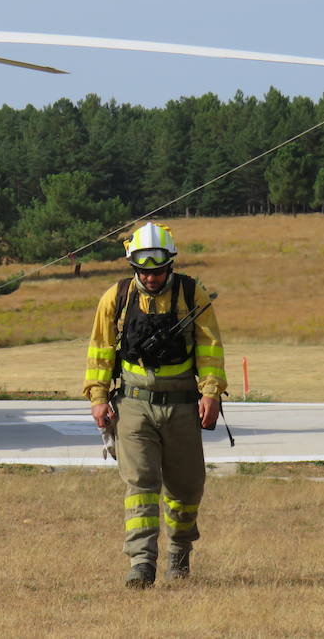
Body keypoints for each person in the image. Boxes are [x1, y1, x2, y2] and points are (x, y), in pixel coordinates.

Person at [83, 222, 226, 588]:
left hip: (182, 404)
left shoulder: (193, 295)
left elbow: (210, 350)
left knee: (186, 489)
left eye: (158, 270)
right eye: (144, 271)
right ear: (134, 267)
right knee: (141, 483)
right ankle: (141, 564)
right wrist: (98, 397)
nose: (151, 277)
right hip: (133, 405)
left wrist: (210, 393)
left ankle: (179, 554)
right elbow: (99, 352)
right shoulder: (115, 298)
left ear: (170, 264)